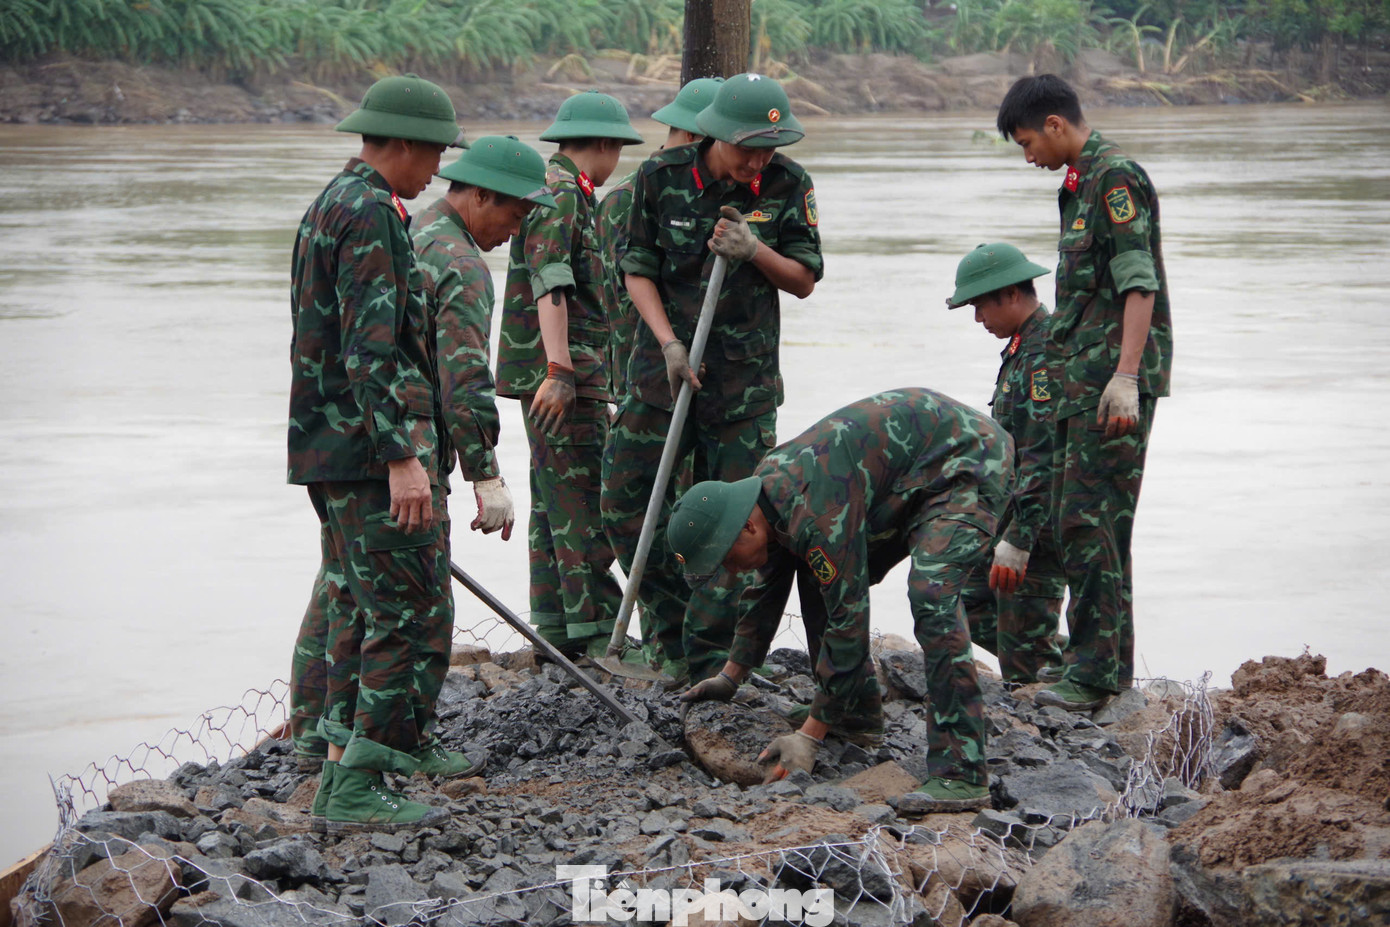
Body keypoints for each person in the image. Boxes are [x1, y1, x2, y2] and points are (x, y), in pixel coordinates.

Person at [671, 389, 1013, 812]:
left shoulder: (814, 512)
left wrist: (809, 736)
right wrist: (730, 675)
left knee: (933, 596)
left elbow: (849, 618)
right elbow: (766, 589)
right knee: (819, 575)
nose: (730, 573)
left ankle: (962, 772)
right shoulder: (767, 497)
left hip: (966, 460)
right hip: (910, 474)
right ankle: (855, 716)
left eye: (724, 561)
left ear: (746, 531)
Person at [287, 74, 476, 833]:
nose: (436, 172)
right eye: (431, 154)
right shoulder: (369, 215)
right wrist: (401, 454)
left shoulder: (329, 204)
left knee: (354, 605)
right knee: (405, 608)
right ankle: (364, 781)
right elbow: (370, 348)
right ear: (399, 143)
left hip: (328, 447)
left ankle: (339, 773)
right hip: (369, 452)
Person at [605, 73, 824, 682]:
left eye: (769, 148)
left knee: (739, 524)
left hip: (742, 386)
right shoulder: (661, 177)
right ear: (715, 134)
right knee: (626, 505)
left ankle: (710, 656)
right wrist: (670, 343)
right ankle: (669, 636)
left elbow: (804, 278)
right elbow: (638, 269)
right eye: (747, 146)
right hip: (662, 374)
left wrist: (754, 250)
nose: (758, 159)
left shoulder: (788, 184)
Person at [995, 75, 1173, 711]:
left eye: (1025, 142)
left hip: (1110, 387)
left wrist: (1127, 376)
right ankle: (1104, 668)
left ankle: (1094, 674)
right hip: (1082, 385)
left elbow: (1138, 283)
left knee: (1087, 524)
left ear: (1054, 124)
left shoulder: (1114, 179)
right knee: (1087, 525)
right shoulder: (1077, 184)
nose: (1027, 157)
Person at [494, 92, 643, 659]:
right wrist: (561, 370)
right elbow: (551, 279)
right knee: (585, 499)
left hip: (560, 372)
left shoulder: (559, 191)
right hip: (562, 374)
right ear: (604, 146)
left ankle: (554, 626)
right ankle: (595, 631)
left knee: (554, 500)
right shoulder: (563, 196)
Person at [594, 76, 721, 666]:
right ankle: (675, 638)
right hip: (649, 378)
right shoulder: (628, 199)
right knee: (645, 509)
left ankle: (701, 643)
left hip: (708, 385)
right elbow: (616, 297)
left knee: (698, 516)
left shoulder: (742, 194)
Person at [414, 136, 558, 546]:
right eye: (514, 217)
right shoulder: (462, 264)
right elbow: (465, 382)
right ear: (479, 195)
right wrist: (486, 474)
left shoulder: (414, 227)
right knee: (422, 609)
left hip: (363, 455)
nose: (514, 232)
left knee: (344, 600)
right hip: (413, 461)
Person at [946, 243, 1066, 685]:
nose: (979, 319)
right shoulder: (1021, 347)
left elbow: (1044, 455)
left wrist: (1019, 540)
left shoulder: (1043, 355)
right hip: (1011, 514)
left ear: (1011, 294)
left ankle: (1066, 684)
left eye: (980, 305)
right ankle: (1068, 660)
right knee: (964, 598)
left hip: (1037, 526)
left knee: (1025, 669)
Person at [595, 76, 722, 402]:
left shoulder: (711, 196)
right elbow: (624, 304)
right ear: (695, 136)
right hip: (647, 381)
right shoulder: (629, 198)